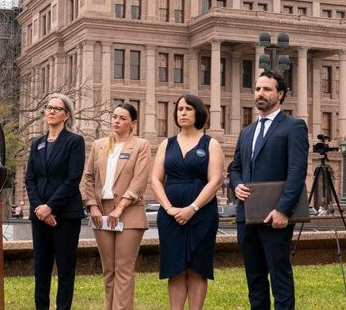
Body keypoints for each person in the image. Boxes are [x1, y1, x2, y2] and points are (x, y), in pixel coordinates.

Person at [227, 70, 309, 310]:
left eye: (267, 89)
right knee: (254, 279)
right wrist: (236, 184)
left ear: (280, 94)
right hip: (247, 216)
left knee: (279, 275)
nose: (260, 94)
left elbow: (296, 172)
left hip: (276, 217)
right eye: (257, 89)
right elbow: (235, 168)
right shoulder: (247, 131)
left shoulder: (294, 127)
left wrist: (283, 210)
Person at [150, 94, 224, 310]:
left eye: (188, 109)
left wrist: (192, 208)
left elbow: (215, 180)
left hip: (201, 215)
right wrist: (169, 208)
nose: (182, 113)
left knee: (197, 269)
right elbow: (155, 179)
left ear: (198, 112)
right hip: (171, 216)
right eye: (180, 109)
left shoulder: (211, 144)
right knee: (175, 269)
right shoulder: (167, 144)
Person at [80, 102, 151, 310]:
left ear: (133, 123)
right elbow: (88, 178)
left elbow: (139, 180)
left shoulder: (141, 145)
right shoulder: (99, 145)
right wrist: (92, 205)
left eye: (122, 118)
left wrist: (120, 208)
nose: (116, 121)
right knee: (108, 269)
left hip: (129, 212)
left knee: (123, 269)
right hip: (101, 212)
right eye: (114, 117)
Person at [24, 92, 85, 310]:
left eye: (56, 108)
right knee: (41, 268)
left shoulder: (75, 142)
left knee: (65, 269)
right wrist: (40, 208)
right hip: (39, 215)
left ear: (67, 115)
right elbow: (30, 178)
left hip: (66, 215)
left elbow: (72, 179)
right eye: (48, 107)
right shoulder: (36, 143)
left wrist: (51, 207)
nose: (50, 111)